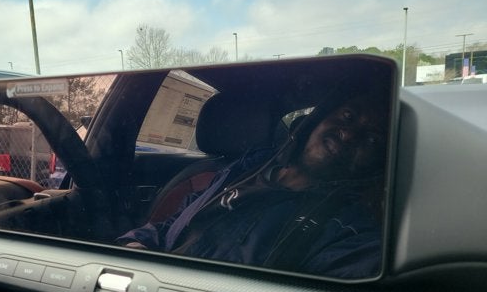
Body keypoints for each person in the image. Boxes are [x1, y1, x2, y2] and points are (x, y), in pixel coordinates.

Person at [117, 79, 391, 279]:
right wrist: (136, 244)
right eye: (348, 116)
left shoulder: (347, 226)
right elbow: (174, 225)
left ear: (378, 161)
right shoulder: (247, 168)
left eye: (372, 139)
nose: (349, 134)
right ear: (316, 120)